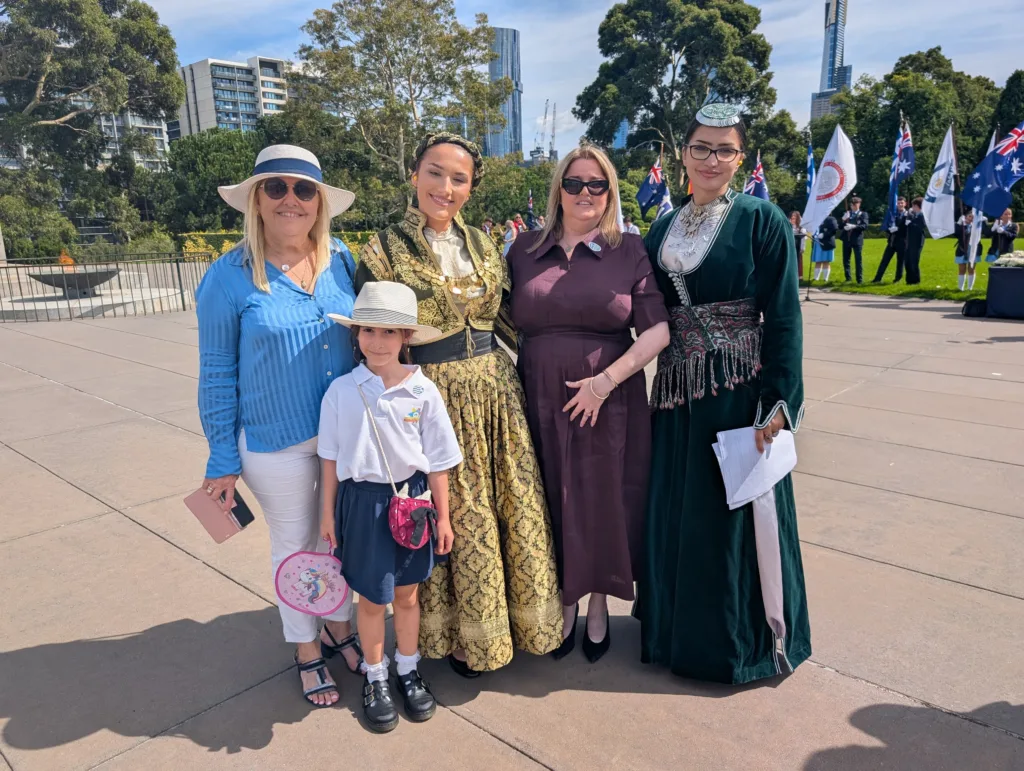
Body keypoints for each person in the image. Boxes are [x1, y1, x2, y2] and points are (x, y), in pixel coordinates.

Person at [355, 132, 562, 676]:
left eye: (459, 178)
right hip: (429, 394)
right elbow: (368, 337)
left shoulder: (484, 243)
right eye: (435, 173)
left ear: (471, 187)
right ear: (415, 174)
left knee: (512, 502)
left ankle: (522, 624)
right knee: (460, 514)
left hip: (496, 393)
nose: (445, 187)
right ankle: (463, 638)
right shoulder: (382, 249)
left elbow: (514, 317)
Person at [636, 103, 811, 685]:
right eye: (701, 148)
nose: (712, 160)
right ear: (683, 153)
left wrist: (778, 404)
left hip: (738, 393)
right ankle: (672, 632)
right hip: (677, 393)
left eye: (725, 150)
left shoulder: (763, 222)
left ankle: (739, 644)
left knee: (732, 516)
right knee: (677, 511)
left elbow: (783, 318)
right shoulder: (662, 227)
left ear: (741, 157)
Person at [195, 145, 363, 708]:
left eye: (304, 189)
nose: (291, 199)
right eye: (276, 188)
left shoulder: (342, 261)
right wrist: (222, 456)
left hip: (342, 439)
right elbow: (217, 372)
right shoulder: (228, 277)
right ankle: (306, 649)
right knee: (297, 547)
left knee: (335, 542)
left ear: (320, 202)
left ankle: (339, 626)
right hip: (274, 440)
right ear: (256, 200)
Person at [509, 146, 670, 663]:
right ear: (559, 188)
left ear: (610, 192)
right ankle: (562, 598)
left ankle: (598, 601)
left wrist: (605, 382)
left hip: (609, 397)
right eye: (575, 183)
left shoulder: (630, 249)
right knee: (547, 496)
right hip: (537, 393)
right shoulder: (524, 249)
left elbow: (658, 331)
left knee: (604, 499)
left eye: (596, 184)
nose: (585, 193)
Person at [318, 281, 460, 732]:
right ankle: (375, 676)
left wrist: (445, 516)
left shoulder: (424, 393)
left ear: (406, 339)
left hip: (413, 503)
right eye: (368, 331)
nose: (377, 342)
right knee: (372, 597)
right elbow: (329, 459)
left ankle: (407, 668)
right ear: (356, 335)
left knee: (409, 595)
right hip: (362, 504)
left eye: (389, 333)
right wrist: (327, 513)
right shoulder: (342, 391)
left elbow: (439, 463)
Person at [872, 196, 908, 283]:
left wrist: (898, 229)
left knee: (900, 262)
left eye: (901, 203)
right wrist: (889, 229)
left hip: (903, 241)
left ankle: (897, 279)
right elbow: (887, 225)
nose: (900, 205)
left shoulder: (908, 214)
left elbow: (907, 229)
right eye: (898, 203)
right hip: (892, 241)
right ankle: (877, 278)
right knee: (884, 260)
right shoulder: (893, 214)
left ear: (905, 204)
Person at [840, 197, 869, 283]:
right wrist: (843, 219)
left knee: (858, 260)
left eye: (855, 204)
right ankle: (848, 278)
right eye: (852, 204)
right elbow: (840, 226)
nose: (853, 206)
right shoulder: (847, 214)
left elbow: (865, 226)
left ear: (859, 204)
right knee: (846, 260)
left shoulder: (863, 214)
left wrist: (854, 226)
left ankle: (859, 279)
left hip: (857, 240)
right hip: (847, 239)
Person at [955, 212, 984, 291]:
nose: (971, 218)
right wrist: (959, 224)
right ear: (966, 217)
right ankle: (960, 288)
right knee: (961, 268)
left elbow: (986, 232)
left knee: (971, 268)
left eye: (973, 217)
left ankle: (969, 288)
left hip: (973, 248)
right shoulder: (962, 226)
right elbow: (956, 234)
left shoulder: (977, 227)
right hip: (962, 249)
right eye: (969, 216)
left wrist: (984, 222)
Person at [904, 197, 926, 285]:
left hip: (917, 241)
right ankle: (909, 279)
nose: (912, 207)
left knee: (914, 260)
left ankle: (915, 280)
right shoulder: (913, 214)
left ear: (918, 206)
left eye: (914, 205)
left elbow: (921, 227)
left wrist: (911, 223)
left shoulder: (921, 215)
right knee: (908, 260)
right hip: (910, 240)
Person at [810, 214, 838, 282]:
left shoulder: (831, 219)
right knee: (818, 260)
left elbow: (834, 229)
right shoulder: (816, 219)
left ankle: (825, 278)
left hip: (827, 242)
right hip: (817, 242)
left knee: (826, 261)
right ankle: (816, 278)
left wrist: (824, 234)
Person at [789, 211, 806, 280]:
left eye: (794, 217)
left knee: (798, 261)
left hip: (797, 247)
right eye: (792, 217)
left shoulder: (801, 228)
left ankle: (798, 276)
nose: (793, 218)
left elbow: (803, 239)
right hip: (790, 247)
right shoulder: (788, 226)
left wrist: (802, 248)